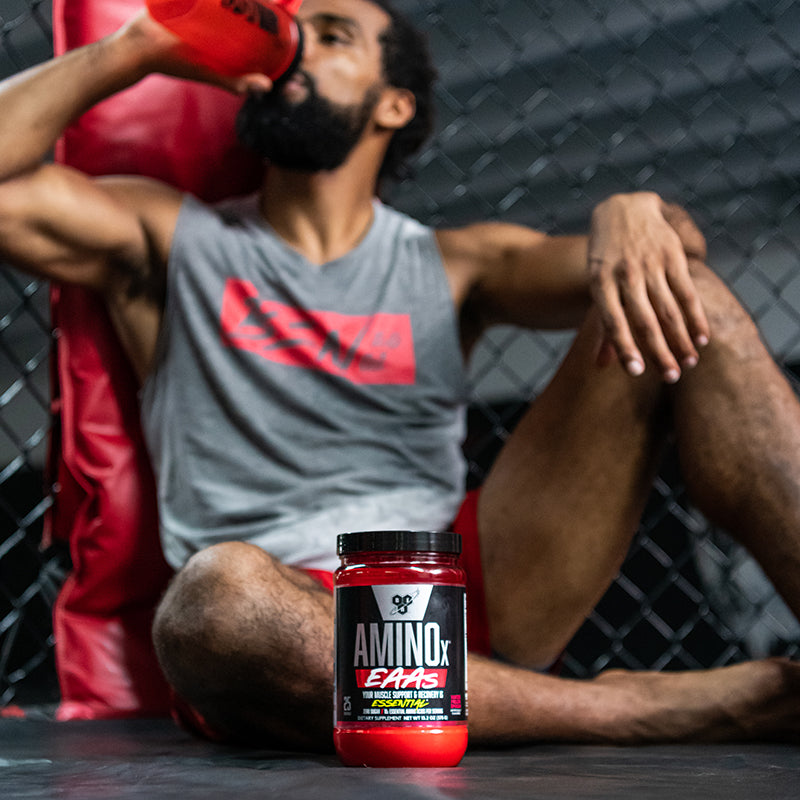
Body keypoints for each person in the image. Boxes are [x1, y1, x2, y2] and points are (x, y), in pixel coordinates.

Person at [1, 0, 799, 749]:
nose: (295, 47)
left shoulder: (455, 264)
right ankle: (631, 708)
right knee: (215, 602)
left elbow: (673, 255)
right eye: (291, 29)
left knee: (680, 290)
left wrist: (635, 211)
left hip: (470, 580)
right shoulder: (168, 238)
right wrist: (142, 45)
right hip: (294, 615)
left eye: (333, 34)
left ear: (393, 105)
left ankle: (486, 696)